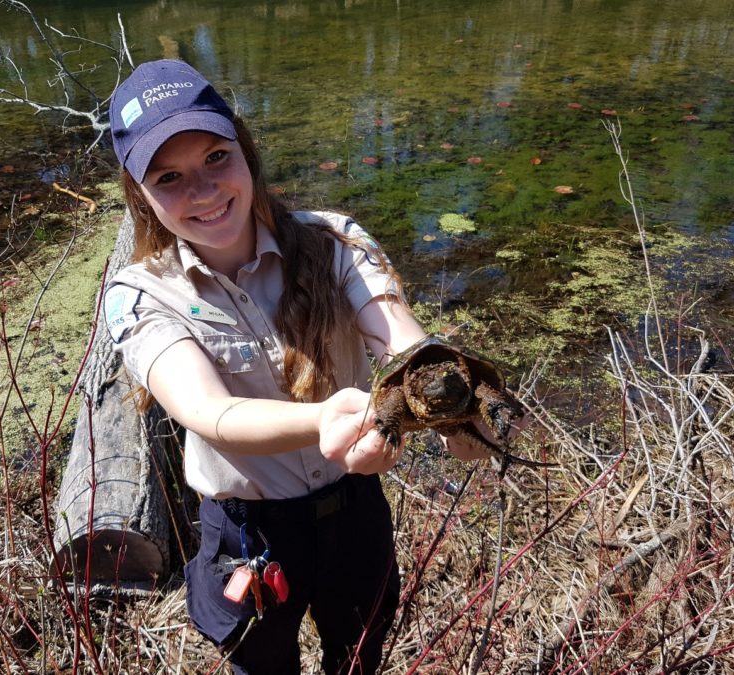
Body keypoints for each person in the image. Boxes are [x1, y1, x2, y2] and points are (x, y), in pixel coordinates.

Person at [104, 59, 491, 674]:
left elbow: (405, 345)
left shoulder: (336, 241)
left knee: (359, 653)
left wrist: (461, 409)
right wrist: (322, 421)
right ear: (139, 193)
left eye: (215, 158)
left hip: (353, 509)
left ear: (246, 151)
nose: (203, 191)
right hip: (247, 533)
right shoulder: (142, 295)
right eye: (169, 176)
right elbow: (209, 412)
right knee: (263, 662)